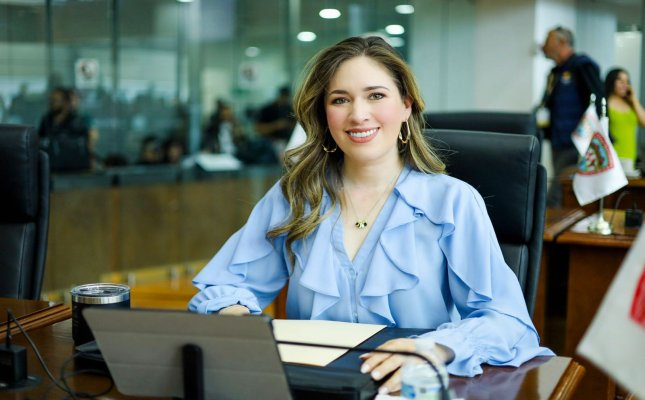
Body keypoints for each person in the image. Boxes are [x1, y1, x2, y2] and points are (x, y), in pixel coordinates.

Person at [189, 36, 552, 393]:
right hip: (315, 388)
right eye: (340, 99)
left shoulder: (452, 202)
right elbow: (225, 285)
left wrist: (434, 349)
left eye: (376, 95)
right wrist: (236, 321)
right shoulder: (296, 195)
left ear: (406, 106)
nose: (358, 114)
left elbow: (508, 322)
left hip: (411, 389)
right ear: (324, 114)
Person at [539, 26, 604, 207]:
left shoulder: (582, 66)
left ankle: (548, 222)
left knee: (558, 190)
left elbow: (597, 102)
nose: (544, 45)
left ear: (562, 42)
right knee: (563, 187)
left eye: (548, 40)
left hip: (577, 142)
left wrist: (591, 138)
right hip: (558, 141)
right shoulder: (556, 73)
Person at [37, 86, 94, 171]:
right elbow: (40, 140)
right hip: (52, 167)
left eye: (56, 100)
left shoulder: (77, 121)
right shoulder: (46, 120)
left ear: (65, 102)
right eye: (51, 100)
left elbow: (86, 144)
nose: (52, 103)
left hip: (75, 168)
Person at [605, 68, 645, 171]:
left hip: (630, 157)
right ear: (612, 81)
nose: (624, 85)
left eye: (627, 82)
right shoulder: (605, 103)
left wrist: (634, 99)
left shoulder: (631, 105)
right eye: (620, 81)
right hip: (611, 158)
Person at [255, 85, 296, 160]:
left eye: (286, 97)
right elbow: (258, 129)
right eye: (283, 97)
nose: (284, 100)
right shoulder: (267, 109)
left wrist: (288, 125)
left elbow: (295, 127)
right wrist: (276, 125)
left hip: (286, 142)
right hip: (269, 143)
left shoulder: (289, 109)